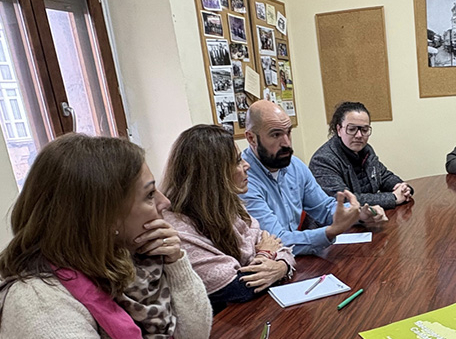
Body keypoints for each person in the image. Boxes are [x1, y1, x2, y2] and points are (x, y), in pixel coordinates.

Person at [0, 134, 272, 339]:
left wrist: (177, 261)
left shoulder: (130, 262)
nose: (165, 202)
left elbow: (193, 338)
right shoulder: (37, 299)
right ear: (104, 217)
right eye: (149, 195)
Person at [162, 125, 296, 315]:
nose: (247, 165)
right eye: (237, 161)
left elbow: (278, 245)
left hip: (249, 315)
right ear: (213, 174)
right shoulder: (178, 228)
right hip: (219, 325)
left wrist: (281, 266)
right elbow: (236, 289)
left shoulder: (231, 208)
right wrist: (266, 254)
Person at [240, 100, 387, 256]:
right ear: (251, 138)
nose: (286, 143)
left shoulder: (294, 166)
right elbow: (276, 241)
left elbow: (324, 207)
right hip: (265, 263)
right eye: (276, 135)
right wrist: (330, 232)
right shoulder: (243, 179)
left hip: (291, 259)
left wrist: (358, 214)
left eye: (288, 132)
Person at [309, 101, 413, 210]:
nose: (359, 135)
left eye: (364, 130)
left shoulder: (366, 150)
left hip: (369, 216)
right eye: (352, 129)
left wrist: (402, 188)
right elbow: (345, 201)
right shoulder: (323, 160)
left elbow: (383, 176)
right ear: (339, 130)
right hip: (339, 220)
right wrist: (393, 198)